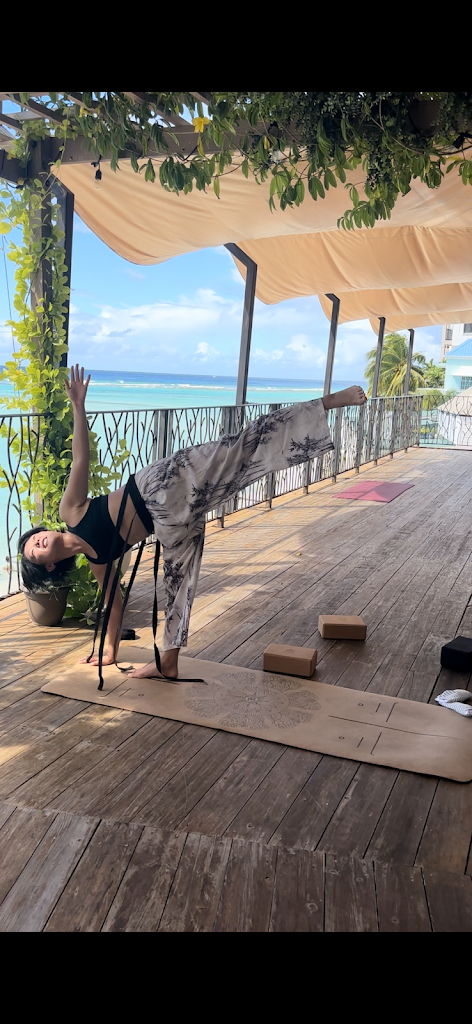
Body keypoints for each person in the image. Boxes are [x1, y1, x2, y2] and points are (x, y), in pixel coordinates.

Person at [19, 365, 367, 683]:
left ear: (44, 532)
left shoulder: (70, 512)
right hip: (170, 525)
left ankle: (327, 403)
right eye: (34, 552)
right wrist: (110, 652)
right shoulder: (98, 563)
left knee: (242, 447)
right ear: (49, 565)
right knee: (178, 585)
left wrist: (78, 406)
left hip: (163, 483)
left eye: (34, 539)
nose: (37, 543)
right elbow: (114, 606)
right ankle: (168, 662)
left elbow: (80, 460)